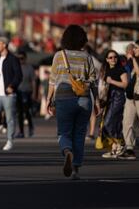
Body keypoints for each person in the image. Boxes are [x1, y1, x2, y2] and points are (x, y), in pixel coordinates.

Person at [46, 25, 100, 180]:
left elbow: (52, 81)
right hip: (84, 99)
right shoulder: (87, 57)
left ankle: (67, 151)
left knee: (64, 132)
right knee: (80, 133)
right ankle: (76, 168)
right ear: (82, 40)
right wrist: (96, 102)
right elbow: (93, 82)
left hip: (64, 98)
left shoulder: (59, 56)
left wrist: (49, 99)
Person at [119, 40, 139, 160]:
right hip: (132, 96)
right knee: (127, 122)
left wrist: (133, 59)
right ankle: (129, 149)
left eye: (136, 48)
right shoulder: (135, 60)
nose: (134, 49)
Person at [98, 50, 128, 158]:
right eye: (110, 57)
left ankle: (121, 143)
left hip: (118, 97)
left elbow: (125, 84)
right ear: (106, 60)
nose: (113, 59)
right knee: (112, 122)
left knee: (109, 122)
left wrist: (112, 82)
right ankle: (115, 148)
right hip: (109, 98)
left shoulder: (120, 69)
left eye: (115, 57)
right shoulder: (107, 70)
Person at [15, 51, 35, 138]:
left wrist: (34, 93)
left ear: (25, 58)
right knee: (19, 113)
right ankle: (21, 132)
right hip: (18, 92)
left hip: (27, 92)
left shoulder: (29, 68)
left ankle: (31, 128)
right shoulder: (16, 67)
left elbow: (33, 81)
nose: (20, 60)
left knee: (27, 112)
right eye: (18, 59)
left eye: (22, 58)